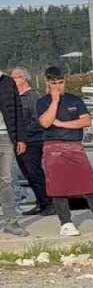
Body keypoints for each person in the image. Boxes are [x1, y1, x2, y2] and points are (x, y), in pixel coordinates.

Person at [37, 67, 93, 237]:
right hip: (53, 146)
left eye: (60, 82)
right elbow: (46, 122)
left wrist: (62, 124)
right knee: (58, 186)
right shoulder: (42, 102)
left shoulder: (75, 100)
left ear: (65, 81)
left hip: (75, 145)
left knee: (89, 184)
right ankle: (66, 222)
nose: (58, 86)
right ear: (48, 83)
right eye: (54, 83)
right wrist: (54, 101)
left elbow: (85, 121)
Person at [13, 67, 53, 217]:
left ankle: (48, 203)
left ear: (24, 79)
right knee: (27, 174)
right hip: (18, 141)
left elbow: (38, 121)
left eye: (15, 77)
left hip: (33, 141)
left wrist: (22, 134)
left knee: (34, 172)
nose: (13, 80)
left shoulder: (33, 97)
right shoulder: (15, 98)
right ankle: (40, 202)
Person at [0, 68, 28, 235]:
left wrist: (21, 138)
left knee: (7, 180)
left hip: (5, 137)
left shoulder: (7, 82)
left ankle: (11, 222)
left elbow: (18, 110)